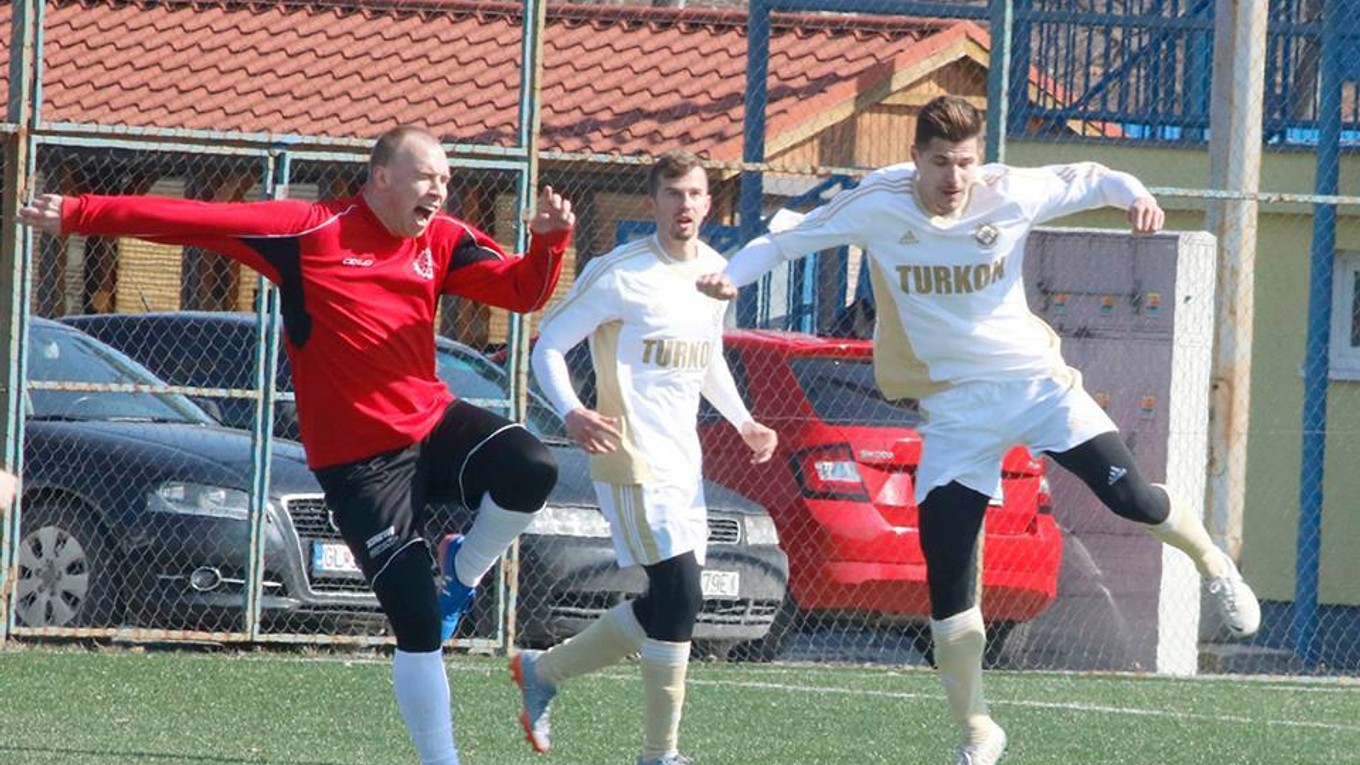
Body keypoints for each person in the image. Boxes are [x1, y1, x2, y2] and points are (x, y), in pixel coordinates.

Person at [696, 95, 1260, 765]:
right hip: (957, 411)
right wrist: (728, 277)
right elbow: (783, 239)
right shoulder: (879, 203)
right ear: (915, 159)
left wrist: (1134, 192)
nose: (954, 179)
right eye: (941, 164)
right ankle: (977, 730)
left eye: (965, 163)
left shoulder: (1007, 191)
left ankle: (1212, 562)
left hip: (1037, 389)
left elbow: (1093, 174)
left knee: (1131, 497)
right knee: (950, 571)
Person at [18, 125, 575, 765]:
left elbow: (521, 291)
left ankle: (464, 572)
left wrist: (550, 243)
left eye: (447, 181)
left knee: (532, 465)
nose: (440, 192)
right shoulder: (310, 233)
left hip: (430, 423)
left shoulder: (442, 242)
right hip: (360, 465)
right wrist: (82, 213)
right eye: (428, 178)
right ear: (382, 177)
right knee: (417, 623)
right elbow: (197, 220)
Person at [514, 149, 777, 765]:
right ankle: (661, 755)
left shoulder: (714, 270)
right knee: (681, 588)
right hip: (628, 456)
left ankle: (542, 671)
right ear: (653, 202)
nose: (684, 205)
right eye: (673, 194)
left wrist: (743, 421)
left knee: (670, 603)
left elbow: (708, 356)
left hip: (683, 463)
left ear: (708, 203)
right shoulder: (619, 272)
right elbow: (548, 347)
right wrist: (574, 412)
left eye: (694, 194)